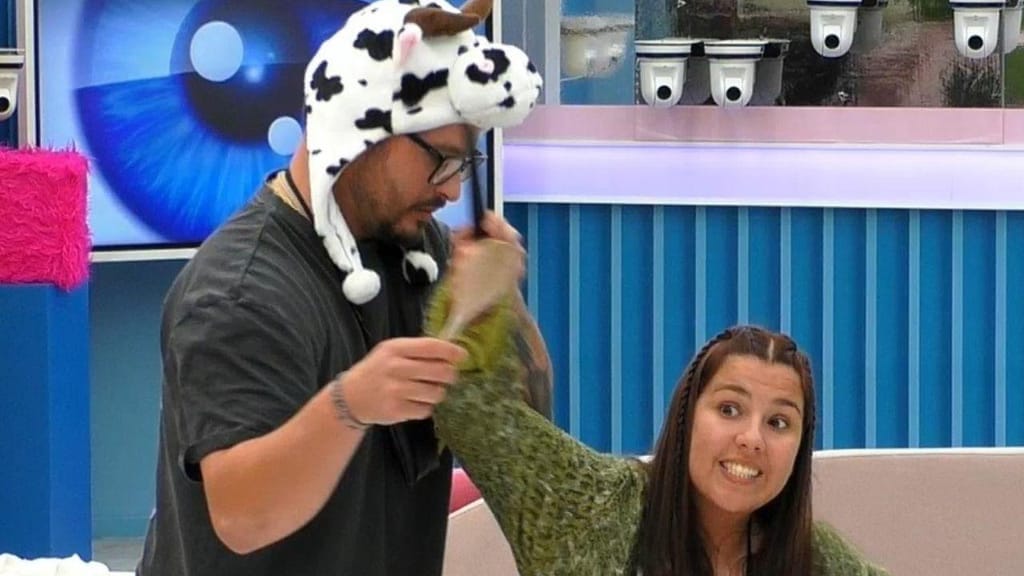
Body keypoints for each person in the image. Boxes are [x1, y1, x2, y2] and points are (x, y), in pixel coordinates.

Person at [137, 1, 549, 574]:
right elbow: (241, 516)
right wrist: (349, 406)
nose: (453, 192)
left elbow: (520, 438)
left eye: (464, 165)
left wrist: (500, 308)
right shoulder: (239, 292)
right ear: (360, 130)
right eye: (441, 161)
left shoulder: (417, 253)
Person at [424, 275, 891, 575]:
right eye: (729, 409)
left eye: (779, 422)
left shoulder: (816, 560)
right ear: (686, 417)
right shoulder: (592, 507)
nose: (751, 439)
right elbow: (467, 406)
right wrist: (482, 289)